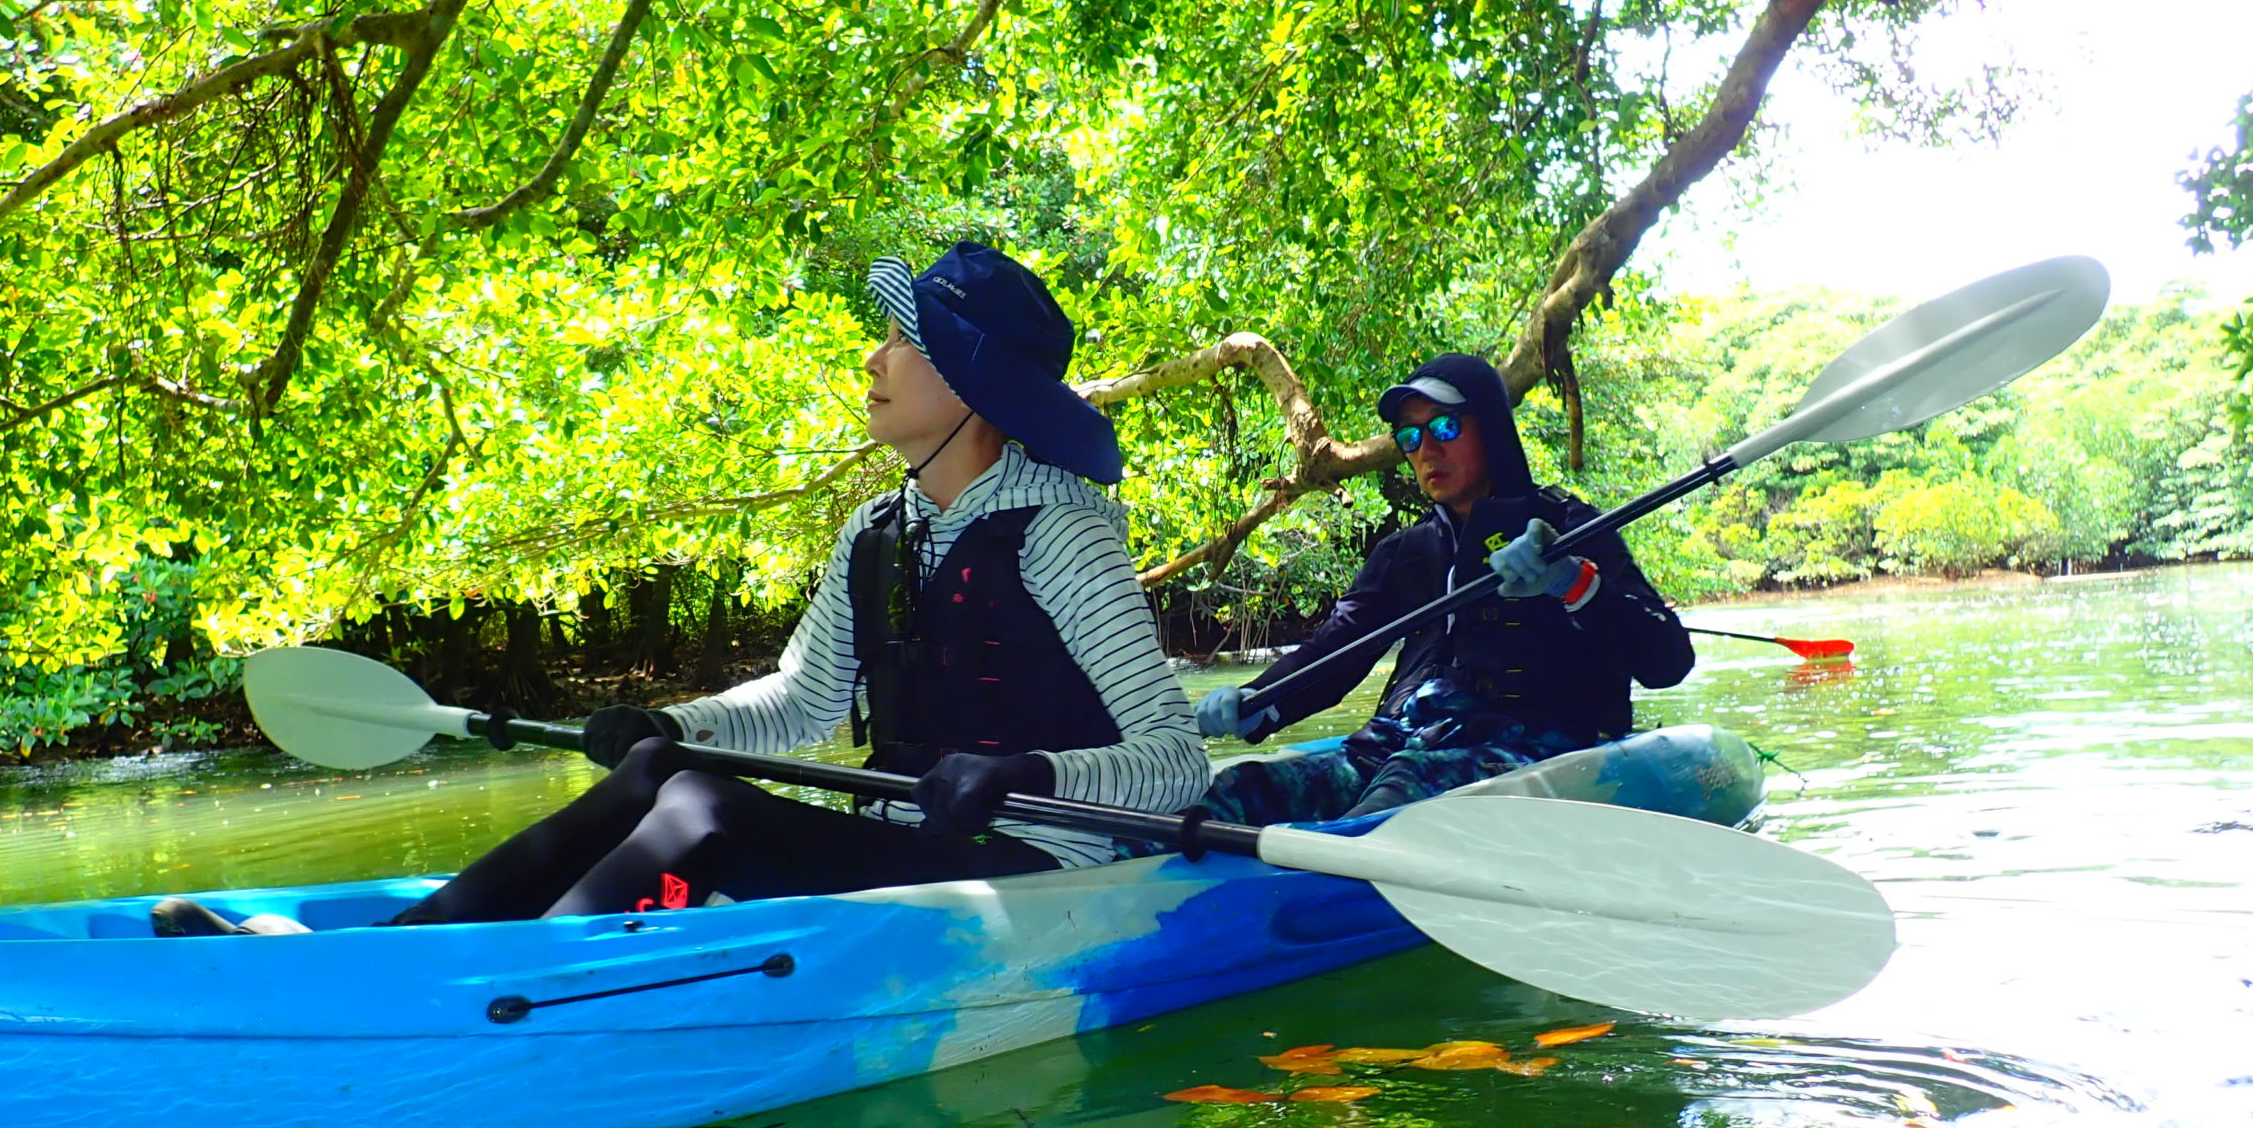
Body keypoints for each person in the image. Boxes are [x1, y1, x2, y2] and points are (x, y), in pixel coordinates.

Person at [153, 242, 1208, 937]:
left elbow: (1174, 761)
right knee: (663, 774)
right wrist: (668, 719)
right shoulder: (879, 526)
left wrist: (1028, 768)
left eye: (904, 341)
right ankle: (409, 953)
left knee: (704, 807)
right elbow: (799, 701)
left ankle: (492, 989)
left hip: (1047, 874)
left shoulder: (1061, 533)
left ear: (972, 385)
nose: (876, 357)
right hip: (922, 849)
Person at [1189, 353, 1692, 825]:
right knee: (1232, 792)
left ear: (1490, 431)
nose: (1427, 449)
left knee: (1402, 786)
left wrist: (1571, 581)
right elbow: (1334, 651)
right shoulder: (1405, 552)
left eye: (1445, 427)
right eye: (1410, 437)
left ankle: (1321, 887)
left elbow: (1668, 660)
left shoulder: (1568, 527)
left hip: (1533, 752)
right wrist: (1256, 699)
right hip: (1402, 743)